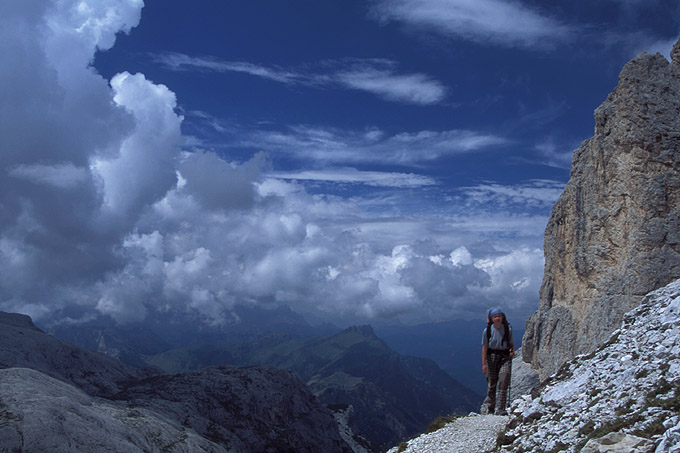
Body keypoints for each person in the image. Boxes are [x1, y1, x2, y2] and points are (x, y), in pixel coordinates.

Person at [481, 307, 515, 415]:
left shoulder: (507, 329)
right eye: (495, 316)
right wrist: (484, 364)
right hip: (491, 357)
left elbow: (511, 343)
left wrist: (512, 351)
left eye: (499, 316)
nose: (498, 318)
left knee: (504, 380)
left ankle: (501, 408)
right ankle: (491, 407)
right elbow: (484, 348)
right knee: (492, 383)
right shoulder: (488, 331)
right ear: (491, 319)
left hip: (504, 356)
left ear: (502, 317)